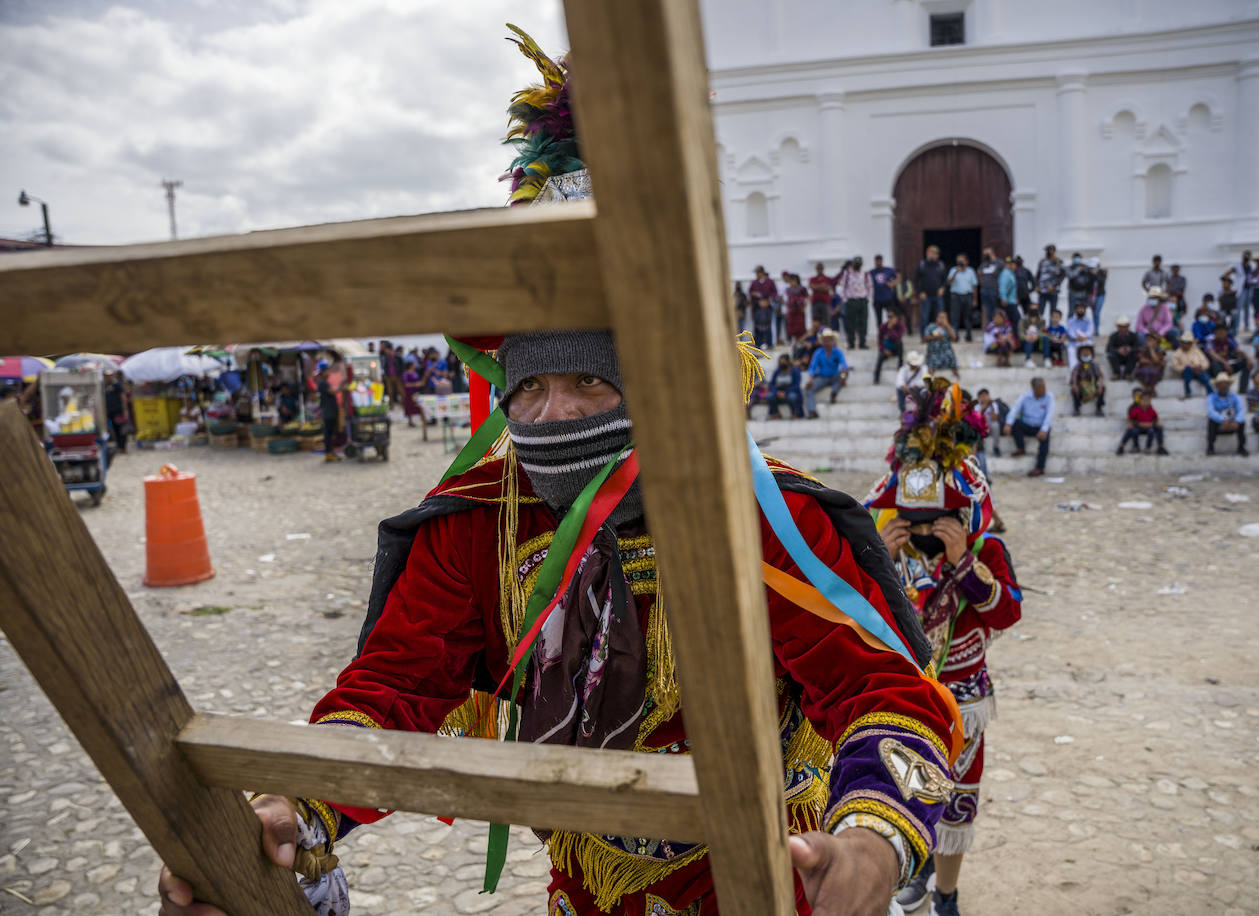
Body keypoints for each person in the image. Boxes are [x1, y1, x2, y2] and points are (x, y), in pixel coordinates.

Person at [159, 34, 962, 916]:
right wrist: (299, 806)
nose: (556, 414)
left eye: (591, 381)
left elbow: (881, 687)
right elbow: (396, 685)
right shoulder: (481, 523)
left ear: (663, 378)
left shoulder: (763, 517)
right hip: (581, 891)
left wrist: (872, 839)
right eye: (531, 387)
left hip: (775, 878)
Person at [867, 385, 1022, 916]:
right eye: (917, 516)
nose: (927, 529)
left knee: (956, 803)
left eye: (941, 515)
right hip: (906, 699)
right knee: (908, 794)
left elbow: (1007, 612)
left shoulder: (987, 551)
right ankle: (917, 872)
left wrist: (963, 566)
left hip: (965, 703)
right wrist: (876, 566)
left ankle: (947, 896)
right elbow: (862, 623)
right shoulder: (890, 546)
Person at [1003, 377, 1054, 477]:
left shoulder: (1049, 397)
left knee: (1046, 437)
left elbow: (1049, 415)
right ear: (1034, 388)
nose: (1043, 390)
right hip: (1027, 424)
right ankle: (1021, 448)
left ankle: (1040, 467)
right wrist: (1008, 424)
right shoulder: (1025, 396)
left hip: (1040, 426)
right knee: (1015, 424)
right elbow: (1015, 410)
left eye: (1044, 387)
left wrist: (1044, 429)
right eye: (1041, 387)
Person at [803, 328, 850, 415]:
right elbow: (813, 367)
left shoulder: (838, 352)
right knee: (808, 389)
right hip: (822, 377)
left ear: (833, 340)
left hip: (834, 376)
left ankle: (834, 392)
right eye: (825, 339)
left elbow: (844, 365)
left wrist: (843, 377)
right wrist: (811, 379)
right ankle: (812, 411)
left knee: (845, 373)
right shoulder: (818, 352)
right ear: (823, 341)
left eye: (829, 339)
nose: (827, 342)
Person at [1205, 373, 1249, 456]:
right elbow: (1211, 412)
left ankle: (1241, 447)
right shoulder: (1211, 397)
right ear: (1217, 386)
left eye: (1226, 384)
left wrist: (1237, 421)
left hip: (1232, 423)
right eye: (1221, 384)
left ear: (1229, 385)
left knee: (1242, 422)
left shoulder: (1235, 396)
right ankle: (1210, 447)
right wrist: (1222, 420)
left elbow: (1241, 410)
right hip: (1219, 423)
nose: (1223, 386)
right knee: (1211, 421)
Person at [836, 256, 874, 350]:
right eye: (856, 262)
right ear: (852, 263)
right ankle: (851, 343)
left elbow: (870, 286)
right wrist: (845, 299)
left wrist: (868, 298)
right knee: (850, 324)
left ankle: (862, 343)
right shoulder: (847, 274)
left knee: (863, 323)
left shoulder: (865, 274)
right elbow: (843, 286)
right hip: (851, 301)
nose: (857, 264)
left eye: (859, 263)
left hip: (862, 301)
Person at [316, 350, 346, 463]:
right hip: (328, 412)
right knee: (328, 434)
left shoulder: (322, 381)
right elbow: (332, 392)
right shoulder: (322, 382)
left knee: (331, 433)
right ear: (323, 371)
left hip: (330, 410)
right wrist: (341, 386)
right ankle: (329, 454)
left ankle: (331, 453)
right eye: (328, 370)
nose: (329, 372)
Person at [1117, 390, 1167, 455]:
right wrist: (1131, 424)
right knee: (1132, 430)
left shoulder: (1151, 410)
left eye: (1148, 400)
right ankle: (1123, 446)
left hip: (1149, 427)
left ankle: (1159, 447)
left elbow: (1155, 418)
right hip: (1138, 426)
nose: (1146, 402)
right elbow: (1129, 419)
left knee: (1156, 429)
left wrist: (1155, 423)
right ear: (1139, 400)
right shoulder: (1134, 409)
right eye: (1144, 400)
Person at [1205, 325, 1252, 394]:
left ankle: (1243, 389)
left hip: (1227, 366)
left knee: (1246, 362)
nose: (1222, 335)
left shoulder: (1228, 340)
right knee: (1215, 364)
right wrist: (1225, 363)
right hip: (1214, 367)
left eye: (1223, 333)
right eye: (1219, 333)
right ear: (1215, 333)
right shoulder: (1210, 341)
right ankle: (1221, 389)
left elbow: (1238, 351)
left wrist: (1248, 359)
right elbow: (1212, 355)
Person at [1169, 333, 1213, 399]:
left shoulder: (1196, 351)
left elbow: (1205, 362)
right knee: (1188, 369)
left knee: (1205, 377)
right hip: (1186, 372)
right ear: (1181, 343)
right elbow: (1175, 366)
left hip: (1198, 371)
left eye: (1188, 343)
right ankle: (1188, 392)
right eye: (1184, 342)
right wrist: (1188, 367)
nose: (1186, 344)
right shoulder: (1177, 353)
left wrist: (1200, 367)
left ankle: (1210, 392)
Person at [914, 245, 947, 332]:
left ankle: (940, 334)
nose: (934, 255)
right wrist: (920, 292)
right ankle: (924, 336)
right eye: (932, 253)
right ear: (927, 253)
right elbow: (916, 280)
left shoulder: (940, 265)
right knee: (924, 317)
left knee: (940, 316)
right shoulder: (922, 265)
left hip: (938, 295)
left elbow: (944, 280)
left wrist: (942, 288)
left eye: (936, 253)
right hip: (926, 296)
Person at [945, 254, 978, 343]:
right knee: (955, 316)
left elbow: (974, 286)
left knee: (968, 316)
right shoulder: (953, 270)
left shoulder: (971, 271)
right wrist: (956, 273)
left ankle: (968, 335)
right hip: (956, 296)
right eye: (958, 260)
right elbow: (948, 283)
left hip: (967, 296)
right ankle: (955, 335)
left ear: (966, 262)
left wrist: (975, 299)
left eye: (962, 260)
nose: (960, 262)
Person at [922, 309, 960, 380]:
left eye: (944, 317)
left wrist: (947, 326)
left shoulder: (949, 327)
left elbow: (954, 338)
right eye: (940, 317)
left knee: (951, 357)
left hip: (946, 351)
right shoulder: (931, 326)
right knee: (931, 362)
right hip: (934, 351)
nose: (942, 319)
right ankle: (929, 379)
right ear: (937, 318)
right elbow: (925, 338)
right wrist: (934, 337)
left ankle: (956, 377)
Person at [1069, 344, 1105, 417]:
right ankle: (1076, 408)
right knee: (1073, 390)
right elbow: (1074, 377)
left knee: (1103, 389)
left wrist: (1100, 386)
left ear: (1091, 354)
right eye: (1083, 353)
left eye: (1088, 353)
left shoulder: (1094, 365)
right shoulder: (1078, 366)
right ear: (1080, 355)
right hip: (1082, 388)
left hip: (1092, 387)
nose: (1086, 354)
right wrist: (1075, 385)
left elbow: (1100, 376)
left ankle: (1099, 408)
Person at [1221, 250, 1254, 331]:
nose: (1246, 258)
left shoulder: (1251, 267)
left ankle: (1246, 326)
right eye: (1245, 256)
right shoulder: (1237, 266)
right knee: (1238, 309)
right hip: (1241, 290)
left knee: (1247, 309)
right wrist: (1230, 284)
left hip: (1249, 289)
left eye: (1248, 256)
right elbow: (1226, 274)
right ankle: (1237, 326)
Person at [873, 309, 908, 383]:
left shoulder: (900, 326)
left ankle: (900, 366)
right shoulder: (883, 326)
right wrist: (884, 350)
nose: (889, 319)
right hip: (886, 349)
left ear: (897, 318)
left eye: (891, 317)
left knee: (899, 343)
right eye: (888, 317)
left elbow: (898, 337)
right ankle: (876, 377)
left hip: (896, 348)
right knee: (880, 357)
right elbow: (879, 341)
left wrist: (891, 329)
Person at [767, 353, 805, 419]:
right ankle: (776, 413)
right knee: (770, 396)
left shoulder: (795, 371)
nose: (782, 363)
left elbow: (796, 385)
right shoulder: (777, 371)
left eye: (783, 362)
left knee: (792, 397)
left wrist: (786, 392)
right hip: (778, 393)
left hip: (790, 392)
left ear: (788, 362)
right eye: (780, 362)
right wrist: (777, 392)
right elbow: (771, 384)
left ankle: (795, 413)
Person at [973, 387, 1008, 458]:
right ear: (979, 398)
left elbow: (994, 419)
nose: (985, 398)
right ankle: (980, 445)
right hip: (981, 427)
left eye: (986, 395)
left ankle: (996, 447)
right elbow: (977, 420)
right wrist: (983, 409)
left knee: (995, 425)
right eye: (982, 396)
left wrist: (991, 407)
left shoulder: (994, 405)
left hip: (990, 427)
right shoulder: (976, 406)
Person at [750, 265, 779, 348]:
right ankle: (758, 344)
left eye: (758, 272)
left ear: (762, 272)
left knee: (768, 325)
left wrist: (769, 300)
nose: (756, 274)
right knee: (757, 325)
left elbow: (775, 292)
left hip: (767, 306)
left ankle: (769, 343)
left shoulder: (770, 282)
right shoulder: (754, 282)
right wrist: (755, 294)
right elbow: (750, 292)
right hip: (758, 306)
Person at [103, 371, 131, 454]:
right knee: (115, 430)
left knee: (121, 430)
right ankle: (119, 447)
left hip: (118, 411)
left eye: (109, 375)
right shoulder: (105, 385)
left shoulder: (117, 384)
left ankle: (123, 447)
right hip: (110, 412)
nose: (108, 377)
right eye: (106, 376)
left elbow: (123, 397)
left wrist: (125, 410)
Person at [1064, 300, 1096, 370]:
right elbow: (1070, 332)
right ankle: (1074, 370)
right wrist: (1076, 338)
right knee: (1071, 350)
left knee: (1089, 347)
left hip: (1086, 341)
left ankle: (1087, 369)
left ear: (1085, 310)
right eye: (1079, 308)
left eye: (1082, 309)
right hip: (1074, 342)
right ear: (1075, 310)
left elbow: (1090, 332)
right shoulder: (1070, 320)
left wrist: (1084, 338)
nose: (1081, 310)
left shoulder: (1089, 320)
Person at [870, 254, 898, 332]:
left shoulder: (889, 270)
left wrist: (892, 284)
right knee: (879, 319)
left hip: (888, 298)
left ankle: (892, 332)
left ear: (882, 261)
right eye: (876, 261)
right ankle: (881, 334)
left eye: (879, 261)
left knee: (891, 316)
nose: (878, 263)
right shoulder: (872, 272)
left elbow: (898, 277)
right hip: (877, 298)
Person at [1106, 315, 1139, 380]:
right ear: (1117, 327)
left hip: (1129, 356)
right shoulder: (1113, 336)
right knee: (1111, 355)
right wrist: (1117, 350)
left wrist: (1130, 349)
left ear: (1128, 326)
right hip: (1118, 357)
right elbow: (1108, 348)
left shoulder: (1133, 335)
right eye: (1121, 327)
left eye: (1125, 326)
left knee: (1135, 356)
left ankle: (1127, 374)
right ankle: (1116, 373)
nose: (1123, 329)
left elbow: (1137, 347)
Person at [976, 247, 1001, 330]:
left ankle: (998, 328)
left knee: (995, 310)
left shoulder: (999, 263)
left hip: (994, 290)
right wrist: (981, 282)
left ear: (992, 253)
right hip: (984, 290)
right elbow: (979, 273)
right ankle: (991, 328)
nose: (985, 256)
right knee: (988, 311)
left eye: (987, 254)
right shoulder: (984, 264)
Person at [1134, 332, 1166, 397]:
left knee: (1152, 373)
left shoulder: (1161, 350)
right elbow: (1141, 360)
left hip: (1157, 369)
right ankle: (1149, 390)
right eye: (1147, 340)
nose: (1148, 342)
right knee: (1144, 372)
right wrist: (1153, 361)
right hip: (1145, 368)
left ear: (1156, 341)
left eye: (1151, 340)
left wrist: (1151, 349)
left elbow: (1157, 360)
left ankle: (1149, 390)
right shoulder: (1143, 349)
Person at [1035, 244, 1064, 315]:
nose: (1049, 252)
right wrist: (1037, 286)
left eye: (1051, 250)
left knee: (1053, 312)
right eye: (1047, 250)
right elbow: (1038, 275)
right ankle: (1040, 325)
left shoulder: (1059, 262)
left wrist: (1054, 286)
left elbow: (1062, 276)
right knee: (1040, 311)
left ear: (1054, 251)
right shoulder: (1042, 262)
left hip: (1053, 291)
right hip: (1042, 291)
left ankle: (1052, 326)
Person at [894, 350, 924, 416]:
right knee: (899, 390)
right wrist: (904, 387)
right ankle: (903, 410)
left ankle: (921, 409)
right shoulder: (904, 369)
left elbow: (924, 381)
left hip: (917, 390)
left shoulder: (923, 369)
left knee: (923, 390)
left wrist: (914, 386)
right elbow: (899, 381)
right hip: (907, 390)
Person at [1065, 252, 1094, 317]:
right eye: (1075, 258)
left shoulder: (1085, 267)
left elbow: (1091, 276)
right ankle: (1070, 326)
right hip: (1073, 293)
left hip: (1084, 293)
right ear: (1072, 259)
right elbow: (1070, 275)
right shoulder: (1069, 267)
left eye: (1078, 258)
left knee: (1083, 311)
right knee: (1071, 311)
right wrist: (1078, 269)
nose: (1077, 259)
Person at [784, 272, 810, 343]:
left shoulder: (802, 289)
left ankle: (801, 341)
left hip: (800, 311)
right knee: (792, 328)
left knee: (800, 327)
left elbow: (807, 298)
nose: (792, 282)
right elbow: (786, 300)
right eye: (790, 281)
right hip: (792, 311)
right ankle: (794, 341)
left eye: (793, 280)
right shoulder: (788, 290)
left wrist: (804, 307)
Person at [997, 255, 1020, 329]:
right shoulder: (1005, 274)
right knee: (1016, 321)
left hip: (1011, 301)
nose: (1014, 266)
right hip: (1008, 302)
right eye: (1012, 264)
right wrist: (1004, 298)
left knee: (1012, 322)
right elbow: (1002, 287)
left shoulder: (1010, 273)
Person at [807, 263, 834, 327]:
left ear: (823, 269)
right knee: (816, 321)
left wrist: (816, 287)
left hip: (825, 303)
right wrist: (822, 286)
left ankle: (826, 335)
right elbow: (811, 287)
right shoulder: (812, 279)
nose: (819, 270)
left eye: (821, 268)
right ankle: (816, 335)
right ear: (816, 269)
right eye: (818, 268)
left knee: (827, 320)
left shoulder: (828, 278)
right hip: (815, 303)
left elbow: (828, 288)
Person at [1088, 256, 1108, 333]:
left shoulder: (1103, 273)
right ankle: (1094, 329)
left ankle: (1096, 329)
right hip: (1091, 296)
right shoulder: (1089, 273)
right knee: (1093, 313)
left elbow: (1101, 282)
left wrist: (1096, 274)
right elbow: (1088, 283)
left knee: (1097, 312)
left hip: (1100, 295)